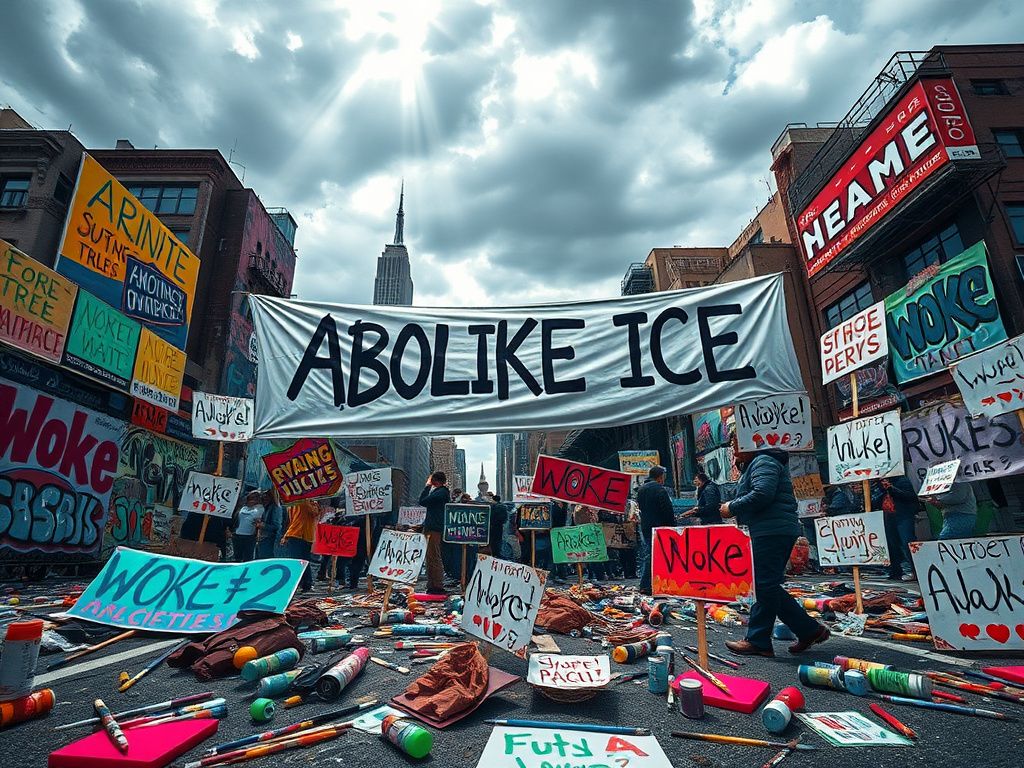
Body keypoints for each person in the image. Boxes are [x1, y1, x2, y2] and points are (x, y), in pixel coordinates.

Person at [721, 444, 828, 657]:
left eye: (736, 444)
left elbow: (762, 493)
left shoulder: (764, 461)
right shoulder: (758, 462)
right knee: (766, 585)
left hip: (771, 531)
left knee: (764, 584)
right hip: (769, 529)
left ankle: (759, 640)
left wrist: (731, 507)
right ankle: (809, 630)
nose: (734, 451)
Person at [871, 476, 919, 580]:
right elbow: (874, 502)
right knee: (891, 545)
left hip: (903, 516)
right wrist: (882, 490)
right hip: (888, 517)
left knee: (907, 543)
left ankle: (917, 571)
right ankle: (896, 571)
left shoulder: (902, 480)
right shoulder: (878, 485)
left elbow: (910, 497)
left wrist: (891, 489)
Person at [637, 465, 675, 595]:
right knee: (658, 555)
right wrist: (672, 527)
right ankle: (647, 584)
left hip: (646, 527)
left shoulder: (641, 489)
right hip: (660, 527)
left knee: (650, 554)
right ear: (660, 477)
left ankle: (650, 584)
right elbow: (667, 510)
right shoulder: (659, 489)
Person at [419, 471, 451, 595]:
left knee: (434, 557)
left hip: (434, 528)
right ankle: (432, 584)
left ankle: (437, 585)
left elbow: (422, 501)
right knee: (430, 557)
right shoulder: (440, 492)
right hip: (433, 527)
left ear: (435, 480)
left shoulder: (441, 492)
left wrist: (427, 487)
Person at [280, 499, 321, 593]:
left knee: (301, 561)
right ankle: (303, 583)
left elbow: (314, 514)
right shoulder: (293, 503)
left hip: (303, 535)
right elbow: (292, 520)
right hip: (296, 534)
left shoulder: (308, 503)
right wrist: (286, 535)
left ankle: (305, 583)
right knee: (299, 561)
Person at [232, 490, 264, 562]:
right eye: (251, 498)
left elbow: (258, 518)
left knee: (248, 558)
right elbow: (236, 517)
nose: (253, 500)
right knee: (237, 558)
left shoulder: (260, 508)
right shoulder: (243, 507)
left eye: (255, 498)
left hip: (249, 536)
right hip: (237, 534)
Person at [257, 488, 284, 559]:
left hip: (270, 539)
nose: (264, 498)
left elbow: (277, 526)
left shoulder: (276, 508)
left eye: (266, 496)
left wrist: (263, 525)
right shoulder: (266, 507)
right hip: (263, 538)